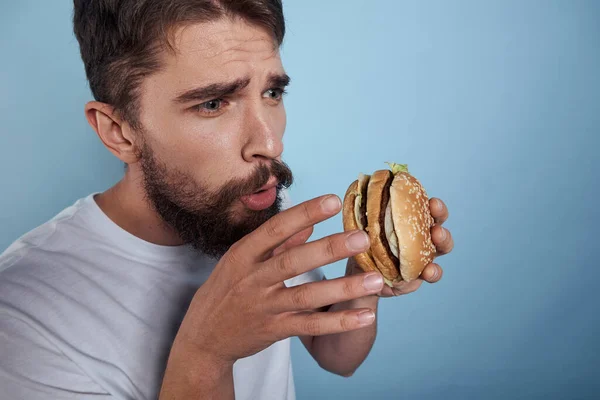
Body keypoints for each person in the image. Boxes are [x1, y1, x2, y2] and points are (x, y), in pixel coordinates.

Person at [0, 1, 454, 399]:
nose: (269, 145)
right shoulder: (21, 321)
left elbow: (338, 357)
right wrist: (206, 353)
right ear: (118, 131)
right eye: (214, 103)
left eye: (272, 92)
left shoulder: (257, 207)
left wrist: (366, 271)